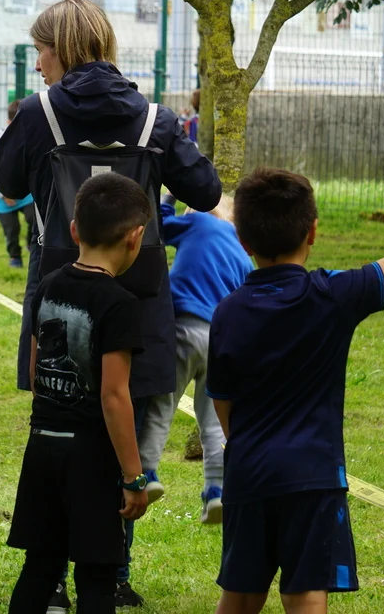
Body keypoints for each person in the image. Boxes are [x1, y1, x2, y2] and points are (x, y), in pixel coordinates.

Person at [0, 0, 221, 608]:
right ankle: (113, 569)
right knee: (128, 429)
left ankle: (53, 579)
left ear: (62, 49)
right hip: (134, 301)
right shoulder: (155, 120)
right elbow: (205, 190)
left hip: (58, 300)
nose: (37, 64)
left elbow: (6, 182)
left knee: (58, 425)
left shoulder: (37, 113)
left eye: (41, 50)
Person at [207, 154, 384, 614]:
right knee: (305, 592)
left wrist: (247, 446)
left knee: (240, 593)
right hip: (312, 477)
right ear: (313, 232)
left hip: (248, 474)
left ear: (242, 240)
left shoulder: (226, 312)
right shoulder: (332, 295)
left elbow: (223, 404)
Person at [7, 172, 153, 614]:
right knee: (97, 575)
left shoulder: (48, 285)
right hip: (90, 458)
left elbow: (35, 371)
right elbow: (114, 396)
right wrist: (134, 477)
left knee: (40, 567)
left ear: (74, 230)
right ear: (135, 238)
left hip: (42, 447)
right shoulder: (121, 305)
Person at [135, 192, 253, 524]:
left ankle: (147, 472)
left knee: (162, 405)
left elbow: (158, 226)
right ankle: (216, 491)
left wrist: (169, 197)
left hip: (184, 329)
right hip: (220, 344)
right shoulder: (244, 259)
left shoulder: (199, 224)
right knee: (213, 422)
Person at [0, 99, 35, 268]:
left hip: (26, 194)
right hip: (3, 196)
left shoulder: (30, 139)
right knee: (11, 230)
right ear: (9, 122)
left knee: (34, 217)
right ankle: (15, 257)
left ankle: (31, 243)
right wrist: (2, 194)